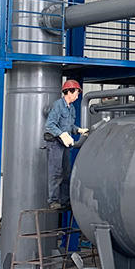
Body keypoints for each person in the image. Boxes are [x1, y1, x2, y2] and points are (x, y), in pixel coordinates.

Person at [43, 79, 88, 210]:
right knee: (56, 172)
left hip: (65, 144)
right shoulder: (58, 105)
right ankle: (53, 201)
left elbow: (70, 126)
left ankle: (65, 200)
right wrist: (61, 134)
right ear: (68, 92)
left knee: (66, 172)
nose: (77, 96)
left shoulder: (71, 108)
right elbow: (50, 125)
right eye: (76, 93)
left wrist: (79, 130)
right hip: (55, 143)